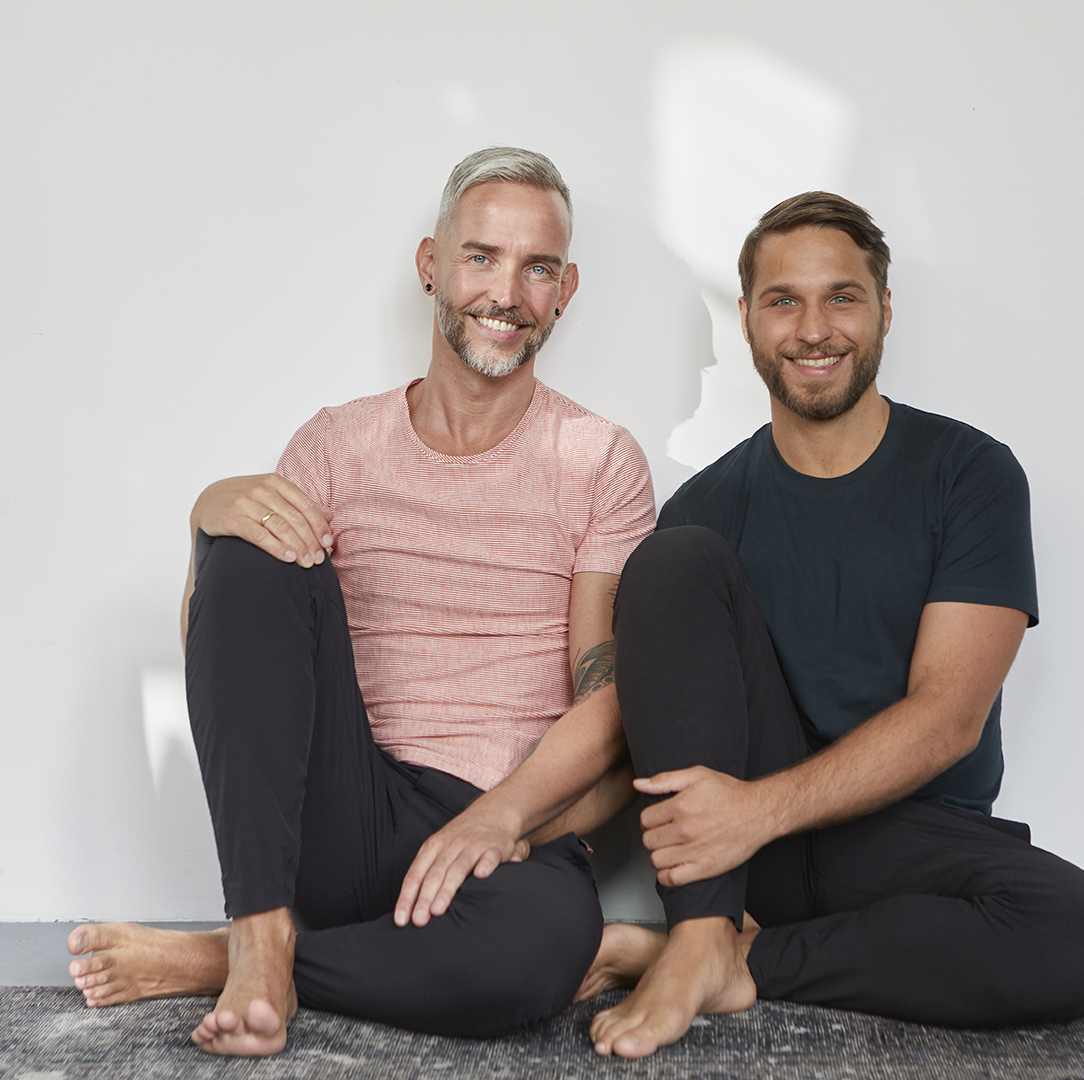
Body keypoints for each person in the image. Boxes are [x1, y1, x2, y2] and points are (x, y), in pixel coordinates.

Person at [64, 147, 654, 1056]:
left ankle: (230, 959)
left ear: (565, 288)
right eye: (480, 257)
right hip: (348, 804)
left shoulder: (599, 458)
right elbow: (230, 651)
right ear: (431, 265)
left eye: (537, 268)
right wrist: (206, 522)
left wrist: (505, 817)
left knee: (538, 952)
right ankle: (260, 930)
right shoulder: (338, 444)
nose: (506, 292)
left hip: (503, 827)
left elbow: (605, 693)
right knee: (252, 537)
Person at [580, 192, 1084, 1059]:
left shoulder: (970, 475)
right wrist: (508, 825)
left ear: (881, 313)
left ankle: (725, 956)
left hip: (906, 842)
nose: (813, 329)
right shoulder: (708, 509)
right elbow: (636, 717)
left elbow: (948, 716)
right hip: (747, 859)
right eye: (783, 300)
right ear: (750, 322)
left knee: (1077, 934)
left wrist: (757, 812)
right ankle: (702, 933)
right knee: (672, 556)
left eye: (841, 297)